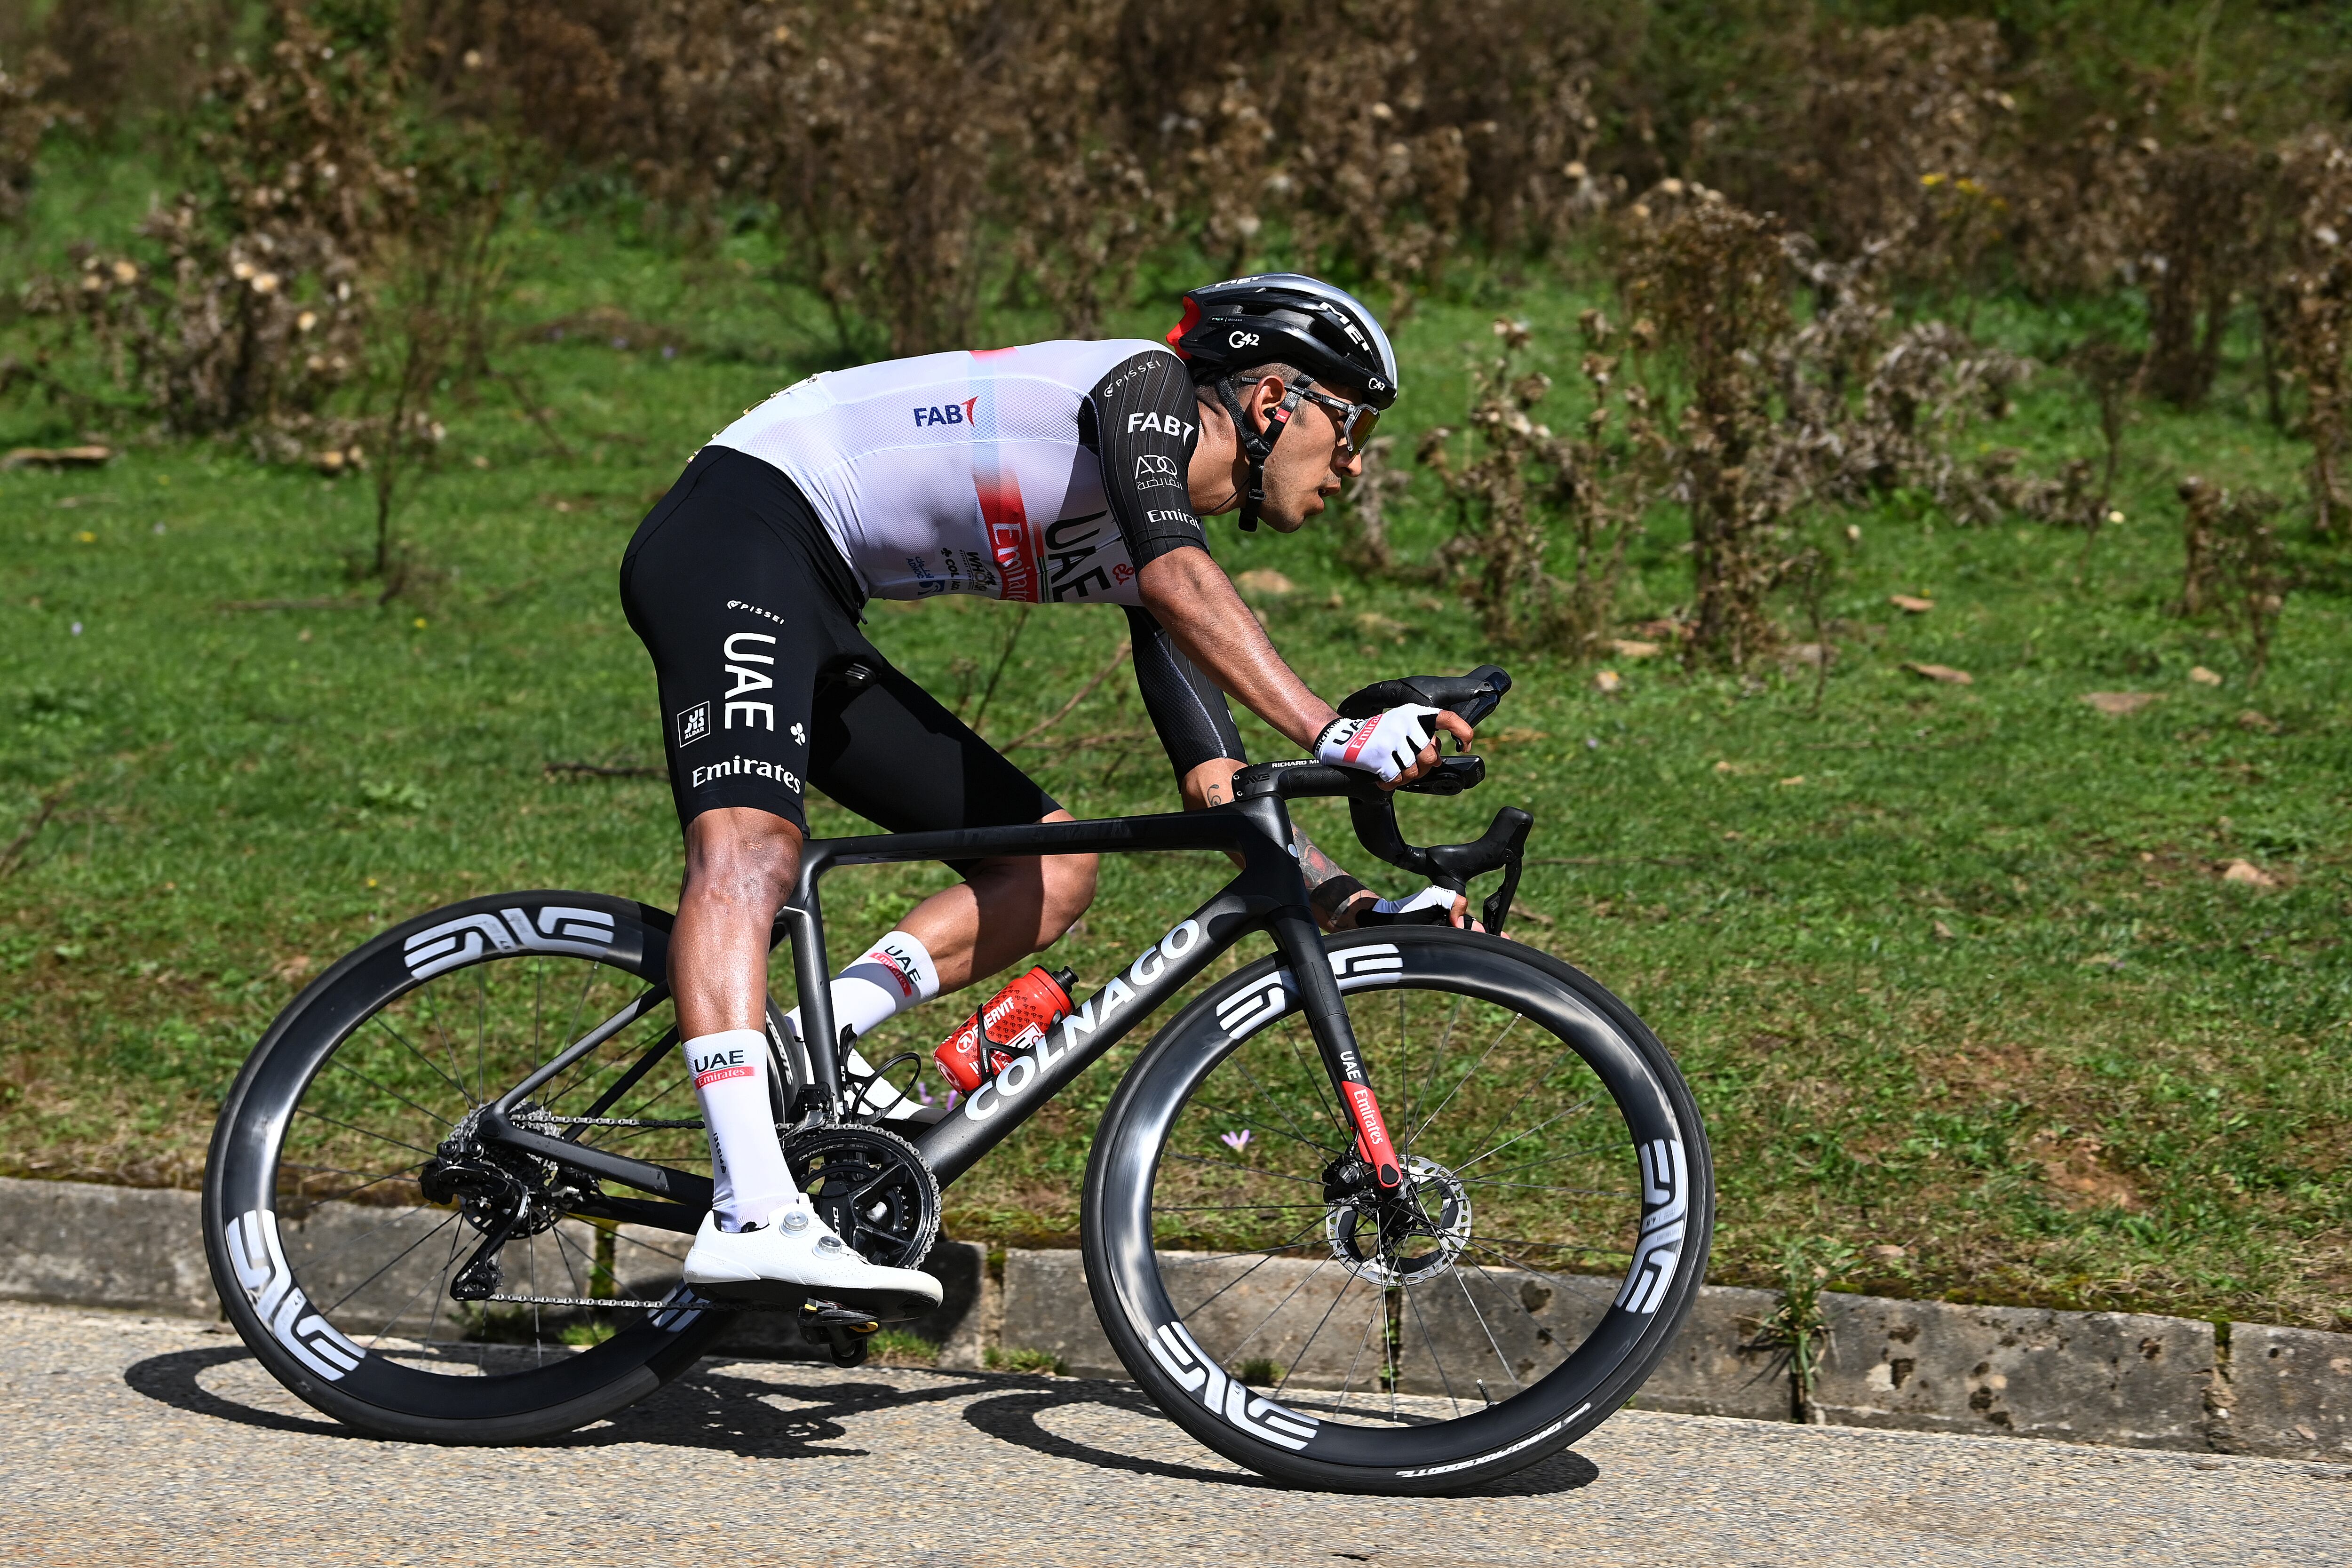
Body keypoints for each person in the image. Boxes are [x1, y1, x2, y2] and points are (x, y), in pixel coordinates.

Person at [619, 274, 1478, 1315]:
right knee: (750, 847)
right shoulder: (1145, 392)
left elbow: (1224, 788)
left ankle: (821, 1027)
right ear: (1271, 403)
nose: (1351, 464)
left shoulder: (1150, 546)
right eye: (1350, 430)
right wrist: (1337, 731)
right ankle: (751, 1207)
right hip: (737, 528)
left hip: (816, 593)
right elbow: (1175, 578)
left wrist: (1350, 902)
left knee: (1052, 863)